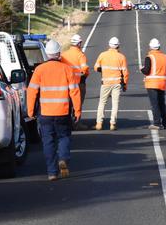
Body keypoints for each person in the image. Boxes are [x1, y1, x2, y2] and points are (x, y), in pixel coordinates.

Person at [27, 39, 81, 181]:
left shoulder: (39, 70)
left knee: (48, 142)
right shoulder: (67, 69)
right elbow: (75, 92)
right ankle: (63, 159)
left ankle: (52, 172)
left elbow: (31, 92)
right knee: (64, 137)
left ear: (47, 53)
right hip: (63, 112)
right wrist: (77, 111)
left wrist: (30, 111)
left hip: (45, 113)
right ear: (59, 53)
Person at [93, 37, 129, 131]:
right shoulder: (121, 57)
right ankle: (112, 124)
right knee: (115, 104)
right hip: (116, 83)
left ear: (109, 45)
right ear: (118, 46)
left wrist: (103, 70)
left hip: (105, 83)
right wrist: (125, 84)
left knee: (102, 103)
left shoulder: (102, 55)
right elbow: (125, 72)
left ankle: (99, 123)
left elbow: (96, 67)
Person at [141, 38, 166, 130]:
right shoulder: (165, 57)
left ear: (150, 47)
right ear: (159, 47)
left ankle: (157, 123)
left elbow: (146, 71)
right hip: (162, 83)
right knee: (162, 103)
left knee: (155, 104)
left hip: (152, 83)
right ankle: (165, 123)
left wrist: (142, 68)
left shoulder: (149, 57)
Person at [61, 34, 89, 128]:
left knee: (67, 104)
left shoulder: (63, 55)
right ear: (79, 43)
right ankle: (76, 123)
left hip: (65, 84)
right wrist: (85, 74)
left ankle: (66, 123)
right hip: (78, 83)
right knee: (77, 103)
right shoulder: (80, 55)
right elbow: (84, 69)